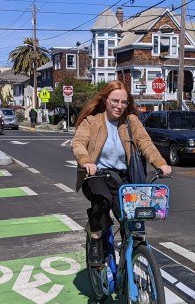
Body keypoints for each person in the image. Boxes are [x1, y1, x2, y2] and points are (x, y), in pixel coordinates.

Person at [71, 80, 171, 265]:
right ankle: (95, 240)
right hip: (96, 174)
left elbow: (145, 143)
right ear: (105, 99)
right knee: (102, 200)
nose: (119, 106)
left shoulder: (131, 121)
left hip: (123, 177)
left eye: (124, 102)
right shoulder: (92, 120)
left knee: (130, 216)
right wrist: (86, 162)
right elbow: (78, 143)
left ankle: (129, 257)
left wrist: (160, 163)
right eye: (115, 101)